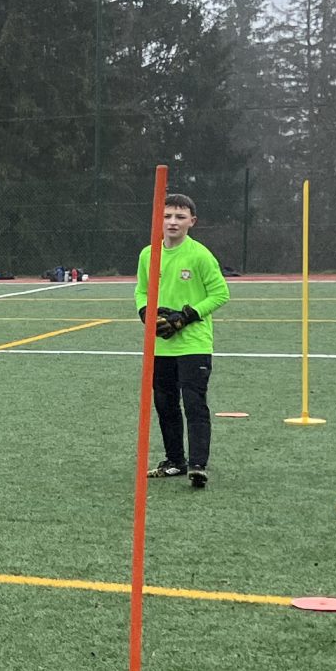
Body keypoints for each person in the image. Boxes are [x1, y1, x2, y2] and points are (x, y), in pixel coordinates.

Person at [134, 192, 229, 489]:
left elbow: (220, 294)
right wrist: (146, 312)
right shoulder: (148, 255)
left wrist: (186, 316)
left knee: (194, 403)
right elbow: (141, 290)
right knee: (165, 404)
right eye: (167, 216)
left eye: (180, 216)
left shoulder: (200, 255)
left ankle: (198, 466)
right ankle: (175, 460)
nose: (172, 222)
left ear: (192, 221)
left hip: (194, 344)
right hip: (161, 345)